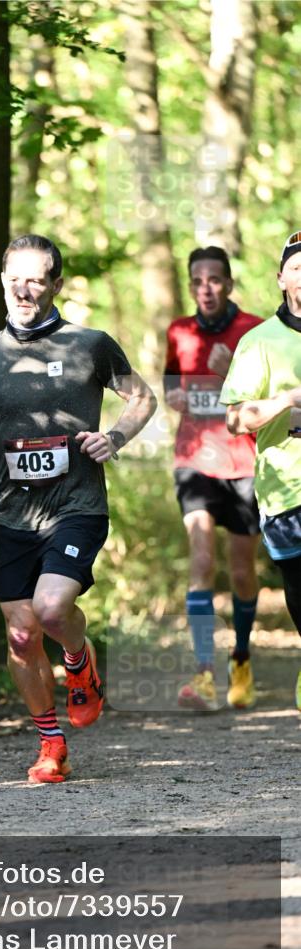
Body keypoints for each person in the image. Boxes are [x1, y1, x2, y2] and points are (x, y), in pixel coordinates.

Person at [0, 234, 157, 783]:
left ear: (55, 284)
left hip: (76, 504)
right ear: (2, 280)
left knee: (52, 609)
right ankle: (50, 743)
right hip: (11, 512)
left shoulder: (89, 344)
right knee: (20, 636)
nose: (23, 288)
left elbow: (142, 397)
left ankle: (79, 659)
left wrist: (114, 437)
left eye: (36, 278)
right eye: (14, 276)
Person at [163, 247, 264, 711]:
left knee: (243, 573)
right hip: (195, 461)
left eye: (215, 279)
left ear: (229, 284)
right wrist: (178, 398)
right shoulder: (179, 331)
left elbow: (269, 401)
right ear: (191, 287)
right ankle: (203, 673)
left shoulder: (256, 331)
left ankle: (240, 660)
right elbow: (169, 386)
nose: (206, 288)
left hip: (245, 465)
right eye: (198, 280)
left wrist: (232, 376)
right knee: (202, 562)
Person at [220, 230, 301, 709]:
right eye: (297, 265)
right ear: (280, 279)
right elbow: (234, 420)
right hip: (285, 488)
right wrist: (287, 401)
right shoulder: (259, 342)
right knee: (297, 584)